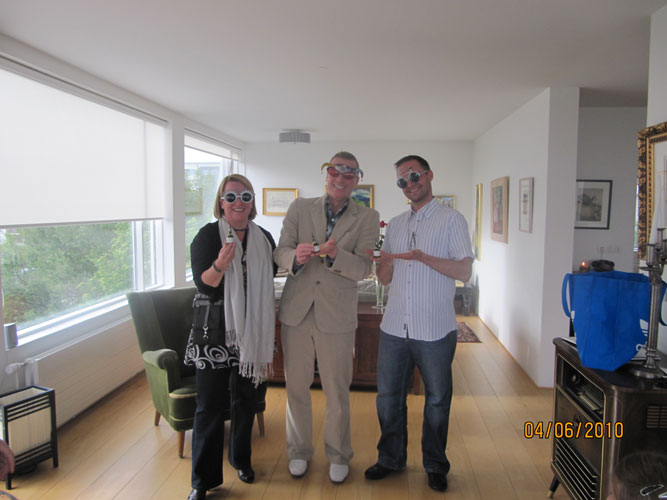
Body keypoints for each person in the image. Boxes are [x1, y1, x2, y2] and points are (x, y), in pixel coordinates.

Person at [364, 155, 473, 492]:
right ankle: (390, 459)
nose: (409, 184)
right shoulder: (395, 225)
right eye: (402, 180)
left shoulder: (452, 220)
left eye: (414, 176)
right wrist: (381, 264)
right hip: (395, 326)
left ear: (429, 175)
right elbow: (385, 279)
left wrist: (424, 258)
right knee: (388, 398)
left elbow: (464, 272)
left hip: (435, 329)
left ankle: (435, 465)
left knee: (437, 400)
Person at [274, 151, 379, 484]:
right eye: (335, 171)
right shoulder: (299, 207)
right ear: (326, 174)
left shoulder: (368, 217)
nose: (341, 178)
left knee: (337, 391)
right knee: (296, 388)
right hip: (297, 312)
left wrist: (335, 255)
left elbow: (364, 269)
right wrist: (296, 257)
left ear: (356, 180)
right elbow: (280, 250)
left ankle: (338, 454)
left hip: (337, 315)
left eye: (349, 174)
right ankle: (298, 451)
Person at [185, 174, 277, 500]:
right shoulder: (207, 236)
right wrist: (220, 265)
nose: (239, 202)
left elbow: (271, 278)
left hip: (253, 331)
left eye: (246, 196)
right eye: (231, 196)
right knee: (209, 406)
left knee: (245, 401)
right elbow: (205, 283)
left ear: (252, 203)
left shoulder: (264, 238)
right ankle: (202, 481)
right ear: (221, 202)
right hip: (214, 332)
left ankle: (241, 460)